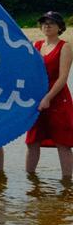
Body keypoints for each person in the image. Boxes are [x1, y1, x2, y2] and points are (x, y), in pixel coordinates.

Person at [25, 11, 73, 180]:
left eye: (51, 22)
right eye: (44, 22)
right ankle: (31, 181)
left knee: (63, 143)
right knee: (32, 142)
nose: (47, 25)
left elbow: (63, 78)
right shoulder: (36, 45)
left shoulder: (65, 46)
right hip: (38, 100)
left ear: (60, 27)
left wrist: (48, 98)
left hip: (58, 99)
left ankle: (67, 184)